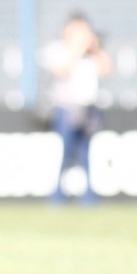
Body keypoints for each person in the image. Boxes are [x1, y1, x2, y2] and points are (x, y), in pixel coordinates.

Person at [45, 13, 112, 203]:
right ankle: (57, 197)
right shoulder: (58, 49)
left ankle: (89, 198)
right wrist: (78, 46)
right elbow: (61, 69)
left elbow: (107, 70)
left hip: (89, 109)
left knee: (87, 156)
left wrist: (94, 48)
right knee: (62, 155)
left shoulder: (92, 54)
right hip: (66, 109)